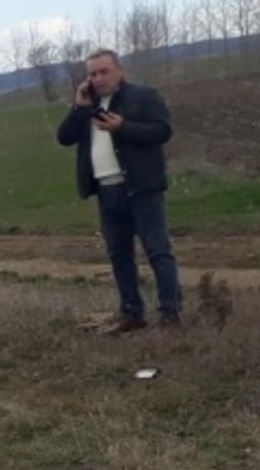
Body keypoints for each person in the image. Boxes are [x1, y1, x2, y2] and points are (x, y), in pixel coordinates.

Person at [56, 49, 181, 334]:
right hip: (106, 190)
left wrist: (123, 127)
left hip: (141, 187)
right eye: (92, 74)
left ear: (119, 71)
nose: (98, 78)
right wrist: (79, 107)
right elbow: (64, 138)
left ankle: (170, 314)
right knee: (119, 255)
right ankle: (131, 314)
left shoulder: (143, 96)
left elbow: (162, 131)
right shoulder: (88, 105)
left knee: (158, 251)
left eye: (104, 71)